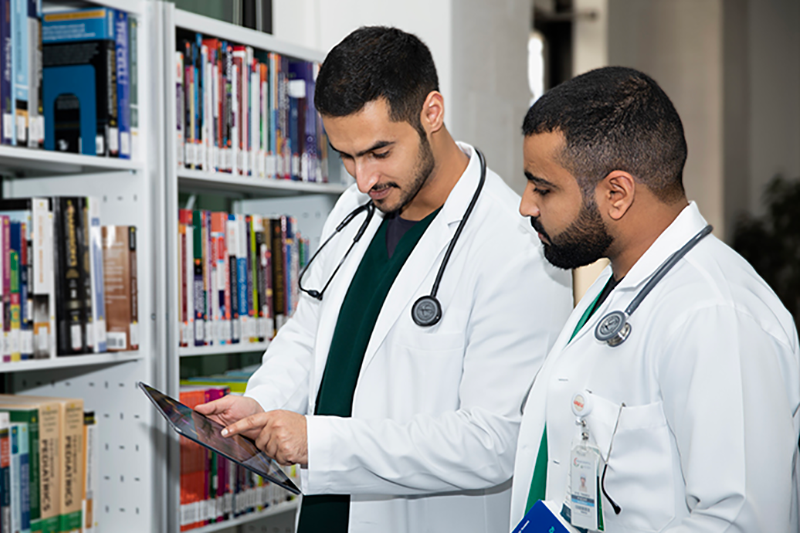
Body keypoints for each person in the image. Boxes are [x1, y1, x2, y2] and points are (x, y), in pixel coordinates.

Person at [196, 26, 572, 533]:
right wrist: (262, 404)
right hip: (328, 508)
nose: (362, 178)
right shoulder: (355, 209)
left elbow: (494, 440)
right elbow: (311, 331)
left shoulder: (517, 243)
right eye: (345, 156)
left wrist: (319, 442)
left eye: (378, 152)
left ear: (431, 113)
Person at [510, 66, 800, 532]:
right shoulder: (619, 285)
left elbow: (740, 523)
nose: (526, 205)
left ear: (617, 193)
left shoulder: (716, 317)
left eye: (543, 188)